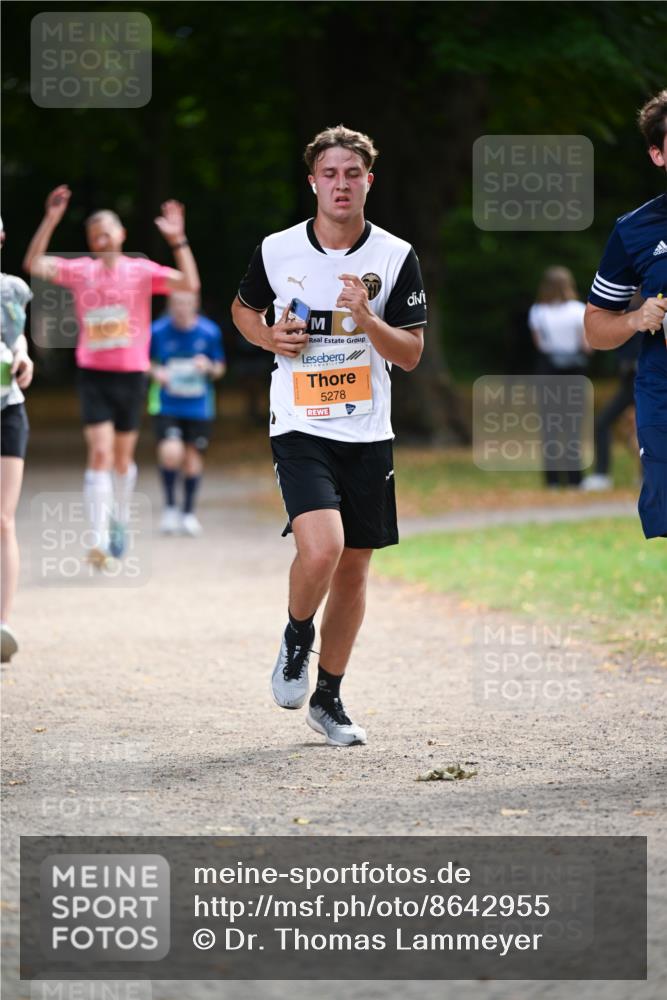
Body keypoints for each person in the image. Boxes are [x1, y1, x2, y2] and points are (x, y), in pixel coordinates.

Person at [231, 125, 426, 747]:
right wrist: (268, 336)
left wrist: (367, 318)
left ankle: (329, 698)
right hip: (299, 422)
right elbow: (242, 309)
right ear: (312, 182)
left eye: (352, 174)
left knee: (355, 571)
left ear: (370, 180)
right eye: (330, 174)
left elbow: (413, 352)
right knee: (322, 549)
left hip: (367, 430)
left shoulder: (395, 256)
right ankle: (296, 636)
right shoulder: (278, 249)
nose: (341, 184)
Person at [23, 186, 200, 566]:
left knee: (123, 460)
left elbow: (189, 284)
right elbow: (35, 263)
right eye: (94, 237)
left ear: (120, 235)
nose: (101, 240)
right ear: (89, 243)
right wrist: (51, 218)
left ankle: (119, 518)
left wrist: (178, 240)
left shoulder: (141, 270)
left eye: (107, 233)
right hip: (94, 374)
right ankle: (98, 539)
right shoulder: (80, 270)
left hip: (132, 375)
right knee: (100, 454)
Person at [584, 89, 667, 539]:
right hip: (662, 391)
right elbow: (595, 327)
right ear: (657, 154)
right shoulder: (635, 229)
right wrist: (636, 319)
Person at [148, 291, 225, 536]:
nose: (181, 308)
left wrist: (208, 367)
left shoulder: (209, 332)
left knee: (192, 459)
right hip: (167, 404)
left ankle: (188, 513)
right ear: (170, 306)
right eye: (177, 304)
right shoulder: (157, 331)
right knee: (171, 452)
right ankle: (170, 507)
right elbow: (145, 362)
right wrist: (156, 372)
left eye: (186, 304)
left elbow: (220, 368)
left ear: (195, 305)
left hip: (199, 406)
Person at [1, 216, 35, 661]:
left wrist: (24, 356)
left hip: (8, 408)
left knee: (3, 520)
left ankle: (2, 624)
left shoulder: (14, 289)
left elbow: (16, 338)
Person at [528, 266, 590, 488]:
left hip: (548, 370)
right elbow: (586, 344)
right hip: (574, 370)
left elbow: (539, 344)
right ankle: (575, 479)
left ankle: (552, 479)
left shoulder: (537, 311)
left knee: (550, 425)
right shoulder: (578, 309)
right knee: (572, 424)